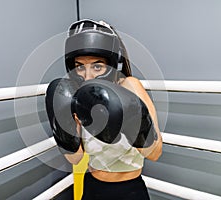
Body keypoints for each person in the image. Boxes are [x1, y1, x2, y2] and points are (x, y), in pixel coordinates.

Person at [45, 19, 162, 200]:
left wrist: (134, 122)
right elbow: (75, 159)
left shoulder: (130, 86)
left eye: (97, 66)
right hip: (93, 188)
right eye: (80, 66)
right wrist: (66, 131)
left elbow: (155, 153)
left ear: (112, 63)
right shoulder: (78, 98)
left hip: (130, 190)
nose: (88, 76)